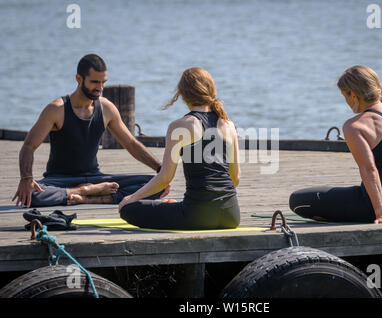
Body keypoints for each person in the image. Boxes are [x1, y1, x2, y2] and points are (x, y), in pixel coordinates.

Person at [12, 54, 168, 208]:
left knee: (156, 185)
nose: (100, 88)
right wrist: (26, 178)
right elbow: (28, 146)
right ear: (79, 79)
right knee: (32, 194)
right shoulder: (56, 109)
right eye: (94, 82)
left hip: (96, 178)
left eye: (103, 82)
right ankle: (83, 191)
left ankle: (89, 199)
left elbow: (131, 143)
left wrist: (162, 170)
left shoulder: (106, 108)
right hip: (59, 180)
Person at [289, 65, 382, 224]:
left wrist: (381, 215)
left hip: (380, 208)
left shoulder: (355, 126)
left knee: (298, 201)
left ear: (352, 94)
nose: (345, 101)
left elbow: (369, 169)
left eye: (344, 95)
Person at [118, 67, 240, 230]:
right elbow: (235, 177)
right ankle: (174, 205)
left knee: (129, 209)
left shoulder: (180, 126)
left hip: (196, 216)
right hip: (231, 216)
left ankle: (170, 205)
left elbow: (165, 178)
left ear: (182, 94)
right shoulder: (228, 124)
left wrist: (132, 198)